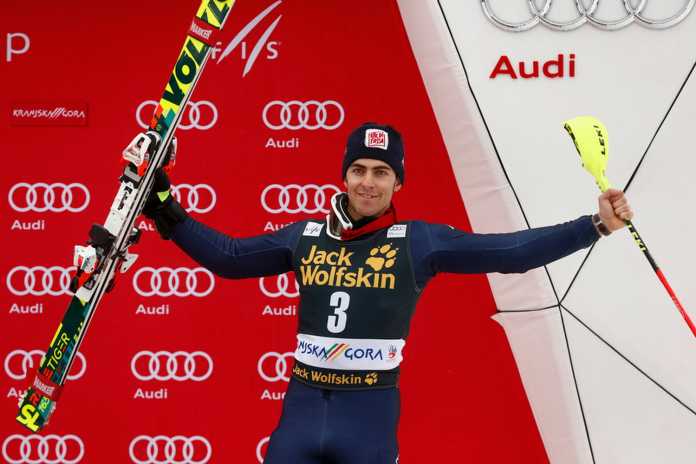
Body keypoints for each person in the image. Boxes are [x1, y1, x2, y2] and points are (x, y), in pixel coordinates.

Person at [142, 122, 633, 464]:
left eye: (381, 172)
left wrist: (595, 225)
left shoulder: (418, 242)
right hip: (301, 412)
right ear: (344, 176)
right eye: (358, 169)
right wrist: (163, 204)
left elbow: (512, 252)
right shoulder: (305, 236)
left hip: (368, 418)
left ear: (398, 181)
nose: (368, 183)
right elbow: (229, 258)